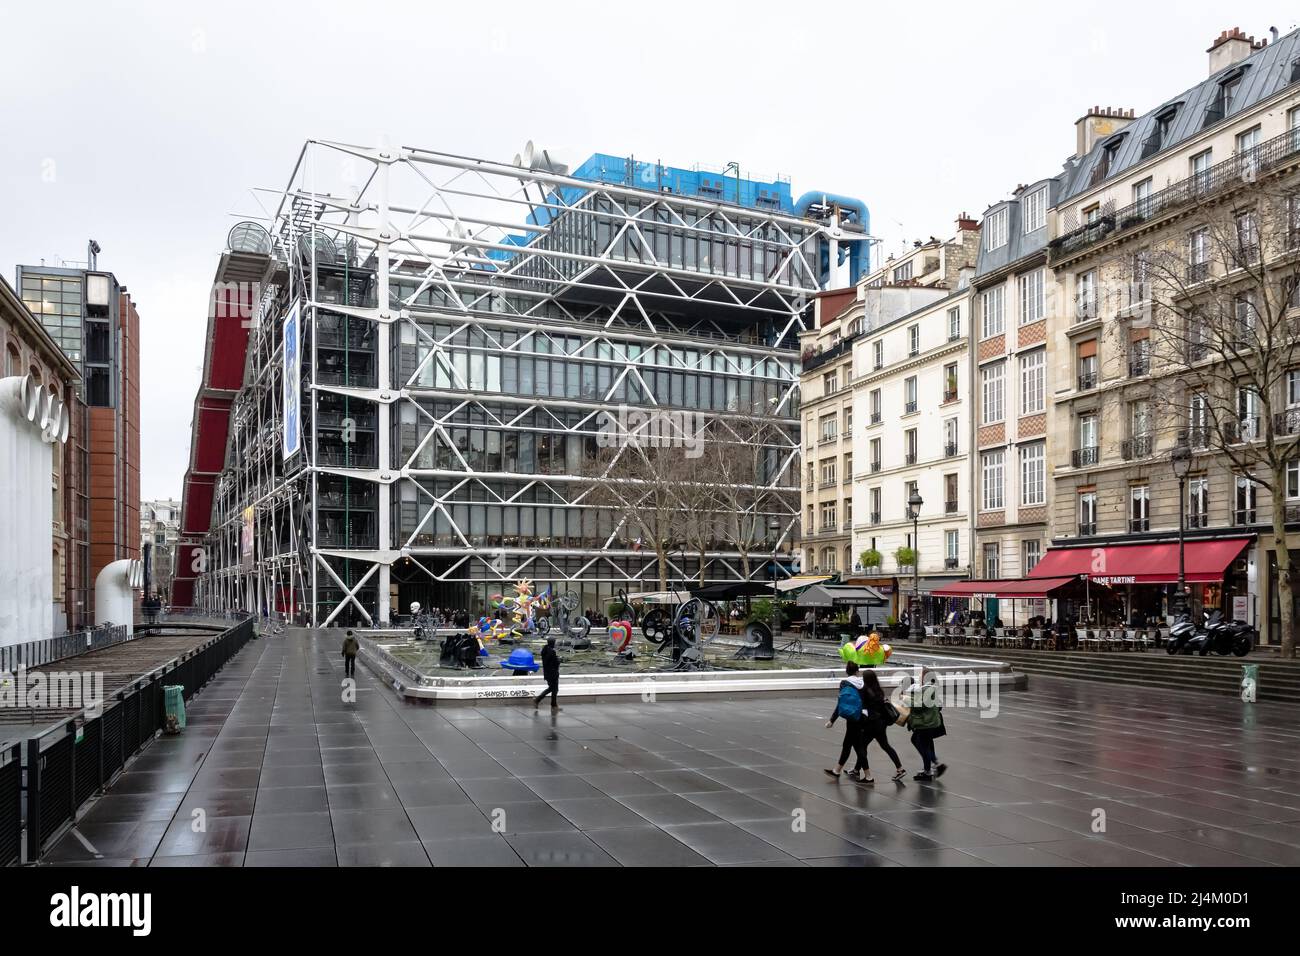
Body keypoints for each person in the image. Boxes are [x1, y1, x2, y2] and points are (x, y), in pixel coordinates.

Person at [854, 669, 906, 783]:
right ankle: (900, 768)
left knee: (861, 747)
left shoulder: (865, 691)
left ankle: (865, 775)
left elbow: (862, 706)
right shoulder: (879, 691)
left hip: (871, 724)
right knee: (885, 746)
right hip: (881, 724)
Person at [823, 663, 868, 781]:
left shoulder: (844, 683)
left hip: (852, 718)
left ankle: (868, 776)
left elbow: (841, 703)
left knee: (855, 747)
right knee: (850, 745)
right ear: (857, 671)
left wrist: (832, 720)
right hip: (862, 717)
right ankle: (837, 770)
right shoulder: (863, 684)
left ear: (846, 671)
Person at [905, 668, 947, 781]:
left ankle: (932, 767)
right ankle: (930, 768)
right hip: (930, 722)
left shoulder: (928, 689)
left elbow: (920, 705)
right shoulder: (930, 688)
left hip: (926, 723)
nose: (919, 677)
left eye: (920, 675)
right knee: (922, 743)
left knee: (922, 744)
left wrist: (906, 700)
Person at [534, 636, 561, 711]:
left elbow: (548, 662)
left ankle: (554, 705)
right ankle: (537, 700)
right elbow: (555, 663)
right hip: (553, 674)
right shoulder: (552, 652)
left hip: (547, 673)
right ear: (552, 643)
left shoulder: (545, 650)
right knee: (552, 689)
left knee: (554, 689)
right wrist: (558, 660)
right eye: (554, 642)